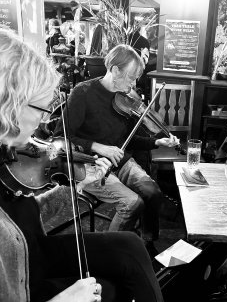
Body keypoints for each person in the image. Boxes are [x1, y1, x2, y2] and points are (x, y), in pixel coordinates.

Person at [0, 29, 164, 302]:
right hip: (26, 271)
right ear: (10, 105)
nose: (43, 121)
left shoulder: (8, 154)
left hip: (34, 251)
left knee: (131, 244)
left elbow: (31, 214)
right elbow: (63, 136)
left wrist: (78, 186)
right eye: (41, 109)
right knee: (113, 284)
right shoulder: (83, 93)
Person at [54, 44, 179, 256]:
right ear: (114, 70)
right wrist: (99, 147)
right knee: (132, 203)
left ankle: (147, 243)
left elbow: (128, 141)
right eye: (131, 77)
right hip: (87, 164)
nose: (134, 83)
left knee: (152, 192)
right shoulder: (83, 92)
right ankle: (109, 253)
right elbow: (61, 138)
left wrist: (156, 143)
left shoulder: (125, 100)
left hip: (118, 160)